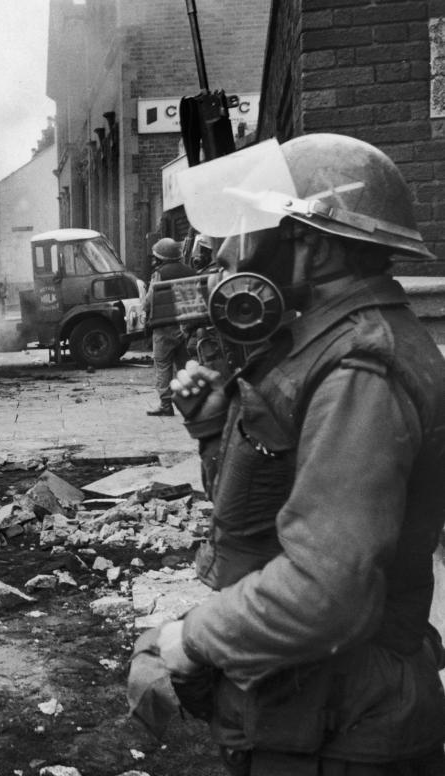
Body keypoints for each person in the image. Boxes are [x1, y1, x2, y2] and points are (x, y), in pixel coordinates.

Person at [145, 134, 445, 774]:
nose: (228, 252)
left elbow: (325, 588)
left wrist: (192, 639)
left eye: (250, 229)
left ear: (312, 243)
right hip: (311, 710)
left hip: (344, 724)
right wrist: (211, 426)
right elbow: (266, 519)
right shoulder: (321, 345)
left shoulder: (361, 366)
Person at [143, 238, 194, 416]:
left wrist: (144, 309)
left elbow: (149, 300)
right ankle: (193, 404)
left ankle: (166, 405)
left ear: (161, 258)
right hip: (185, 326)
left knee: (163, 365)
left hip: (163, 327)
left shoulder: (159, 274)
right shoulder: (190, 271)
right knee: (184, 367)